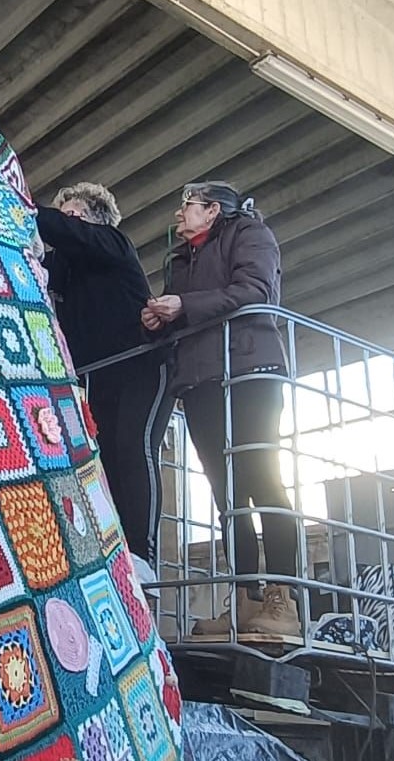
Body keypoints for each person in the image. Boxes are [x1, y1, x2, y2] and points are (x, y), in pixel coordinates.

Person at [143, 181, 300, 636]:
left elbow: (254, 290)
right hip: (201, 380)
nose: (178, 214)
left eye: (187, 206)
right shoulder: (180, 260)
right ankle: (246, 599)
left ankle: (283, 598)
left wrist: (184, 304)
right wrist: (157, 323)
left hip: (250, 369)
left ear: (213, 210)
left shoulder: (250, 234)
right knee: (226, 492)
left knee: (262, 478)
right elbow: (186, 317)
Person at [37, 182, 174, 582]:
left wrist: (27, 211)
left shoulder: (113, 243)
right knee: (100, 460)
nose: (67, 221)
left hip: (140, 363)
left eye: (74, 213)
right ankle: (109, 550)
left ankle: (142, 554)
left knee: (133, 447)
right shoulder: (66, 266)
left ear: (95, 220)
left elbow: (66, 232)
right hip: (97, 373)